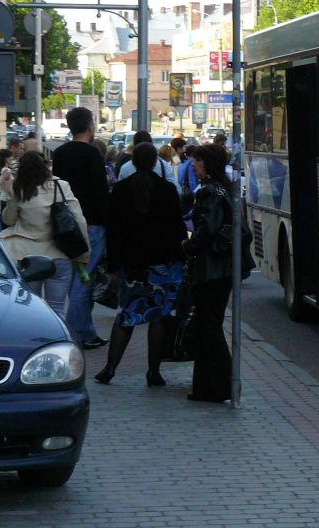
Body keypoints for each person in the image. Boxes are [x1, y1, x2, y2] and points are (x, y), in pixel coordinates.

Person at [94, 143, 187, 387]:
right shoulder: (167, 190)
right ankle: (153, 372)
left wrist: (113, 265)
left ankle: (110, 368)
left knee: (126, 315)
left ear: (132, 162)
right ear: (156, 162)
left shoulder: (122, 190)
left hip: (131, 266)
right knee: (159, 316)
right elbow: (178, 230)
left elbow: (112, 232)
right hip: (162, 265)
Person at [0, 151, 88, 322]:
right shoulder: (62, 186)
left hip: (29, 258)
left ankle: (33, 346)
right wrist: (83, 256)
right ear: (45, 166)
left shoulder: (20, 188)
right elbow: (79, 220)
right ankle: (57, 344)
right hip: (59, 256)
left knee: (30, 309)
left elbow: (8, 220)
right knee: (57, 309)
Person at [51, 106, 111, 349]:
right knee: (83, 281)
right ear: (89, 126)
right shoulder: (93, 155)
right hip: (91, 228)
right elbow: (100, 193)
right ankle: (79, 333)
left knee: (78, 275)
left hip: (66, 228)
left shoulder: (61, 153)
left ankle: (85, 330)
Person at [182, 144, 236, 403]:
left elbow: (206, 230)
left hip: (210, 269)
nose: (193, 165)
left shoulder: (209, 192)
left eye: (197, 161)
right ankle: (206, 387)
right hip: (222, 268)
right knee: (207, 326)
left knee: (209, 326)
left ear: (207, 163)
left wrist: (187, 246)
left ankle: (223, 384)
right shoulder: (225, 187)